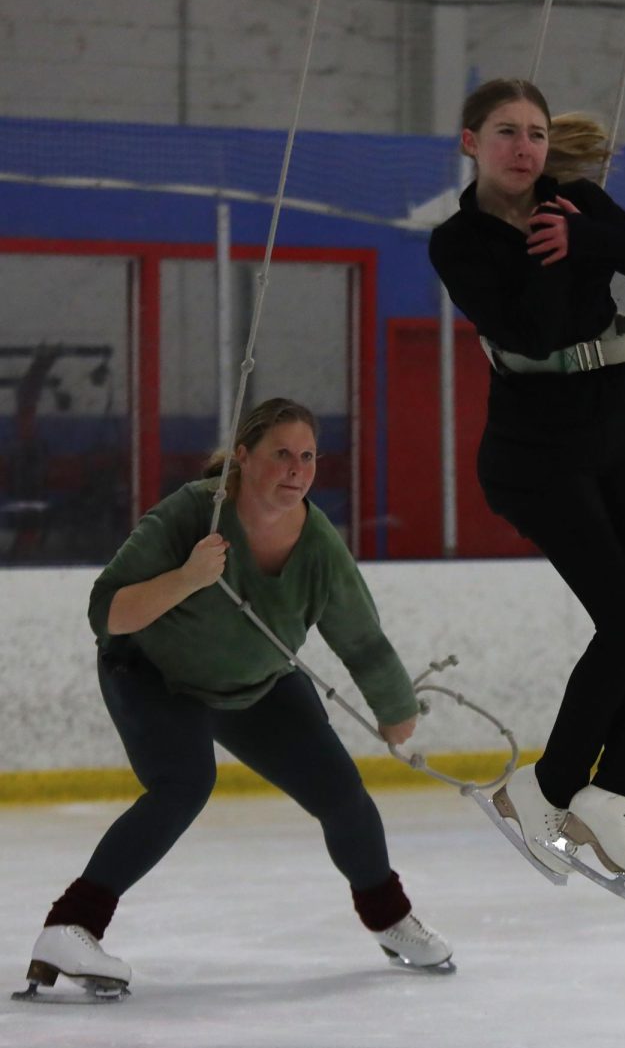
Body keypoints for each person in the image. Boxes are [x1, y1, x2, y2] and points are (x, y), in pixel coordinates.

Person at [22, 397, 452, 996]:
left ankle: (390, 919)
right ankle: (70, 926)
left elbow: (361, 637)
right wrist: (188, 578)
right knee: (184, 783)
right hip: (150, 673)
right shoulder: (191, 515)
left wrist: (395, 705)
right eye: (281, 455)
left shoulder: (319, 544)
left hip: (258, 684)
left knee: (342, 794)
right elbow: (108, 613)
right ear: (244, 458)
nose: (296, 469)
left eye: (306, 457)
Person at [429, 78, 625, 892]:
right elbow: (532, 332)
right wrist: (563, 251)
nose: (525, 149)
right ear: (471, 142)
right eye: (506, 133)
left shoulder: (577, 200)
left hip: (615, 430)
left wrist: (592, 238)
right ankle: (541, 792)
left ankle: (611, 795)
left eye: (537, 134)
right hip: (534, 455)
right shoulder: (460, 241)